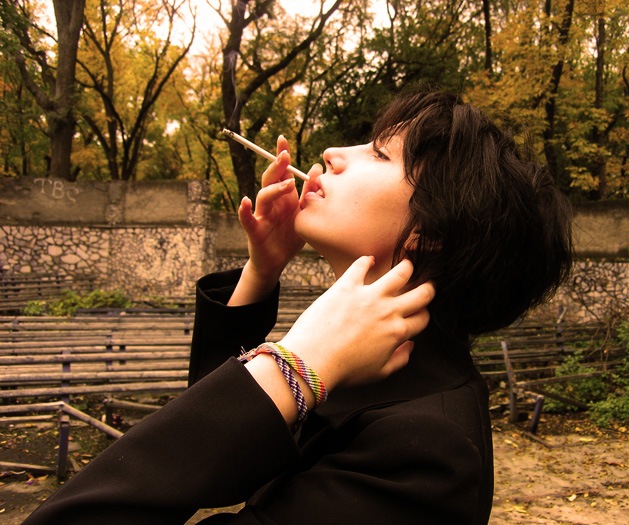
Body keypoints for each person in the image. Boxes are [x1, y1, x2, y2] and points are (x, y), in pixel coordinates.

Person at [23, 90, 572, 525]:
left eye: (380, 153)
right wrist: (261, 271)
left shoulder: (427, 455)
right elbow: (221, 452)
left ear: (430, 234)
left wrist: (293, 368)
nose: (333, 153)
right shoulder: (365, 358)